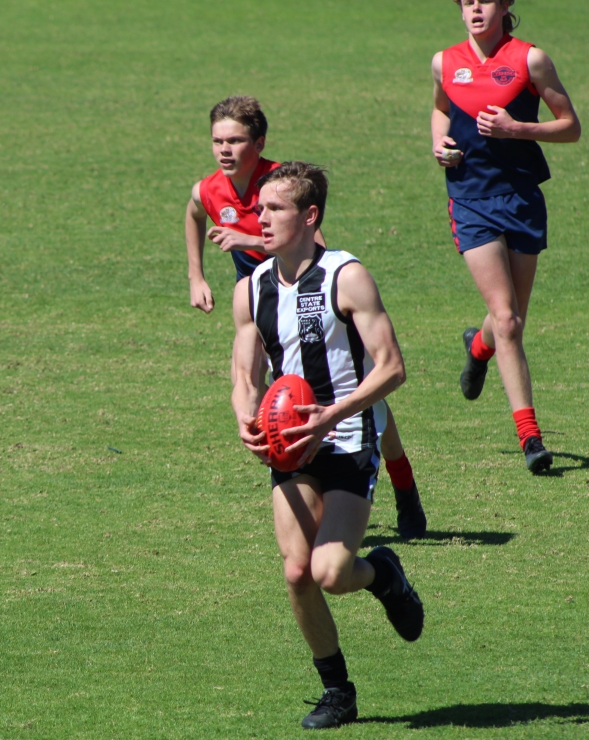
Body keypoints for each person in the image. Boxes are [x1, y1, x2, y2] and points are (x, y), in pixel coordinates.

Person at [230, 162, 424, 729]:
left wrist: (330, 415)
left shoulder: (347, 277)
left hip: (347, 438)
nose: (261, 218)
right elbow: (245, 376)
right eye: (259, 208)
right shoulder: (251, 289)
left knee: (332, 573)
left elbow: (391, 369)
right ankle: (338, 691)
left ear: (309, 216)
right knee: (296, 573)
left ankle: (384, 575)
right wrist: (247, 419)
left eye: (275, 209)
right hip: (290, 446)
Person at [186, 97, 425, 538]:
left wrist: (250, 240)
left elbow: (315, 248)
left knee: (360, 392)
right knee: (265, 386)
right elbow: (195, 211)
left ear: (258, 144)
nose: (224, 149)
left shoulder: (282, 184)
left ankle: (403, 483)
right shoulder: (211, 186)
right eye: (217, 140)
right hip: (258, 294)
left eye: (235, 140)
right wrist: (195, 273)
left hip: (303, 283)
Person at [431, 0, 580, 473]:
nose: (476, 8)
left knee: (511, 317)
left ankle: (479, 348)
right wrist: (439, 145)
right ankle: (530, 437)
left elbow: (571, 127)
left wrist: (518, 129)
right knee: (509, 320)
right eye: (467, 1)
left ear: (505, 6)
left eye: (485, 0)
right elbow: (439, 110)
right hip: (471, 199)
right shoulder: (444, 62)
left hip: (520, 198)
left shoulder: (530, 59)